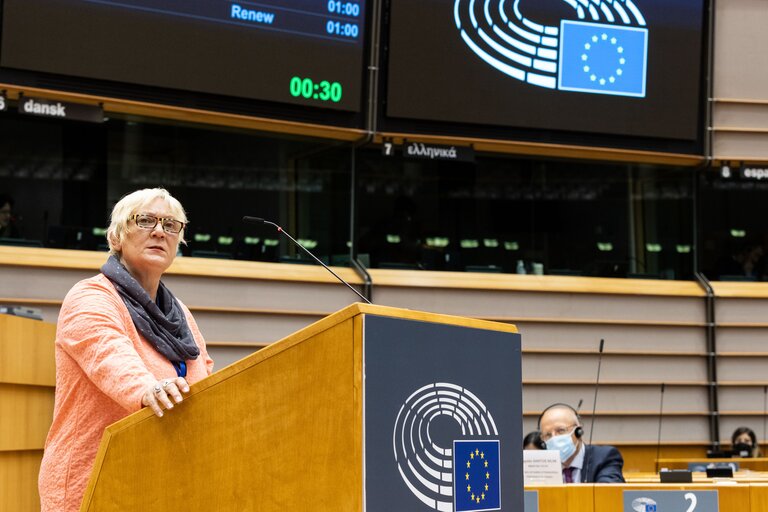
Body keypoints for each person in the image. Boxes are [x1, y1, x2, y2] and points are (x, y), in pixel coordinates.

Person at [38, 188, 214, 512]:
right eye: (145, 220)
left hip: (158, 485)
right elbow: (109, 357)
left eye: (171, 225)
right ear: (117, 237)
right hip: (92, 484)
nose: (160, 231)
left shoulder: (180, 313)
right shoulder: (90, 298)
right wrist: (149, 388)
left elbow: (205, 376)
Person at [538, 403, 625, 483]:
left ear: (578, 431)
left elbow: (608, 493)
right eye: (548, 435)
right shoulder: (540, 466)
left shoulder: (604, 458)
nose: (554, 438)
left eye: (561, 430)